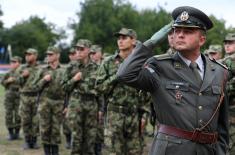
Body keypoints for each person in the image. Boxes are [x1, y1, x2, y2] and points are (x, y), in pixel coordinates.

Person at [117, 6, 229, 155]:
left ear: (202, 40)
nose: (180, 35)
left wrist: (221, 151)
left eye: (188, 31)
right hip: (171, 150)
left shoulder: (220, 71)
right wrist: (150, 43)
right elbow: (125, 75)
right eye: (177, 30)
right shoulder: (159, 66)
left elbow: (222, 125)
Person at [95, 28, 148, 155]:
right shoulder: (108, 62)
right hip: (115, 114)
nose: (120, 41)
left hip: (134, 116)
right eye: (119, 38)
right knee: (114, 152)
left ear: (133, 41)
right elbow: (99, 88)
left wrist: (145, 115)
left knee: (135, 152)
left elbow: (147, 93)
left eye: (124, 38)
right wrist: (117, 76)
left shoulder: (141, 63)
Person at [62, 39, 99, 155]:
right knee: (76, 138)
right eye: (77, 49)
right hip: (76, 104)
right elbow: (63, 87)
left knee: (90, 138)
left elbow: (101, 90)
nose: (78, 52)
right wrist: (74, 79)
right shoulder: (71, 67)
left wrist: (101, 109)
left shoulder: (96, 68)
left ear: (88, 50)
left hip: (91, 105)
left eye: (81, 49)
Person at [32, 47, 65, 155]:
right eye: (48, 54)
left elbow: (68, 89)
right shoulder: (42, 70)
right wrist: (44, 80)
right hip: (45, 103)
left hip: (59, 103)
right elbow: (34, 87)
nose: (48, 56)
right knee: (45, 129)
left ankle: (55, 152)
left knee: (56, 129)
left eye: (51, 54)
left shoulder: (64, 70)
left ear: (58, 55)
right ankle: (47, 152)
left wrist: (67, 105)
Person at [17, 48, 40, 149]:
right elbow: (16, 82)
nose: (27, 56)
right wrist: (23, 76)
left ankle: (34, 141)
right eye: (26, 55)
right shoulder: (22, 68)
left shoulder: (40, 68)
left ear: (35, 56)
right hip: (25, 97)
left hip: (36, 97)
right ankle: (27, 140)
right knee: (25, 120)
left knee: (36, 120)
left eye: (30, 54)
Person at [1, 56, 22, 140]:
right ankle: (10, 133)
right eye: (11, 62)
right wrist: (8, 81)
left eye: (14, 62)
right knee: (9, 114)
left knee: (18, 114)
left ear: (19, 63)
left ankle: (17, 133)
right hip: (9, 94)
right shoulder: (8, 73)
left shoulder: (22, 72)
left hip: (19, 94)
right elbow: (2, 82)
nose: (12, 64)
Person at [221, 33, 235, 154]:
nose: (227, 45)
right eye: (226, 43)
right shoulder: (226, 61)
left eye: (231, 43)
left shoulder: (230, 60)